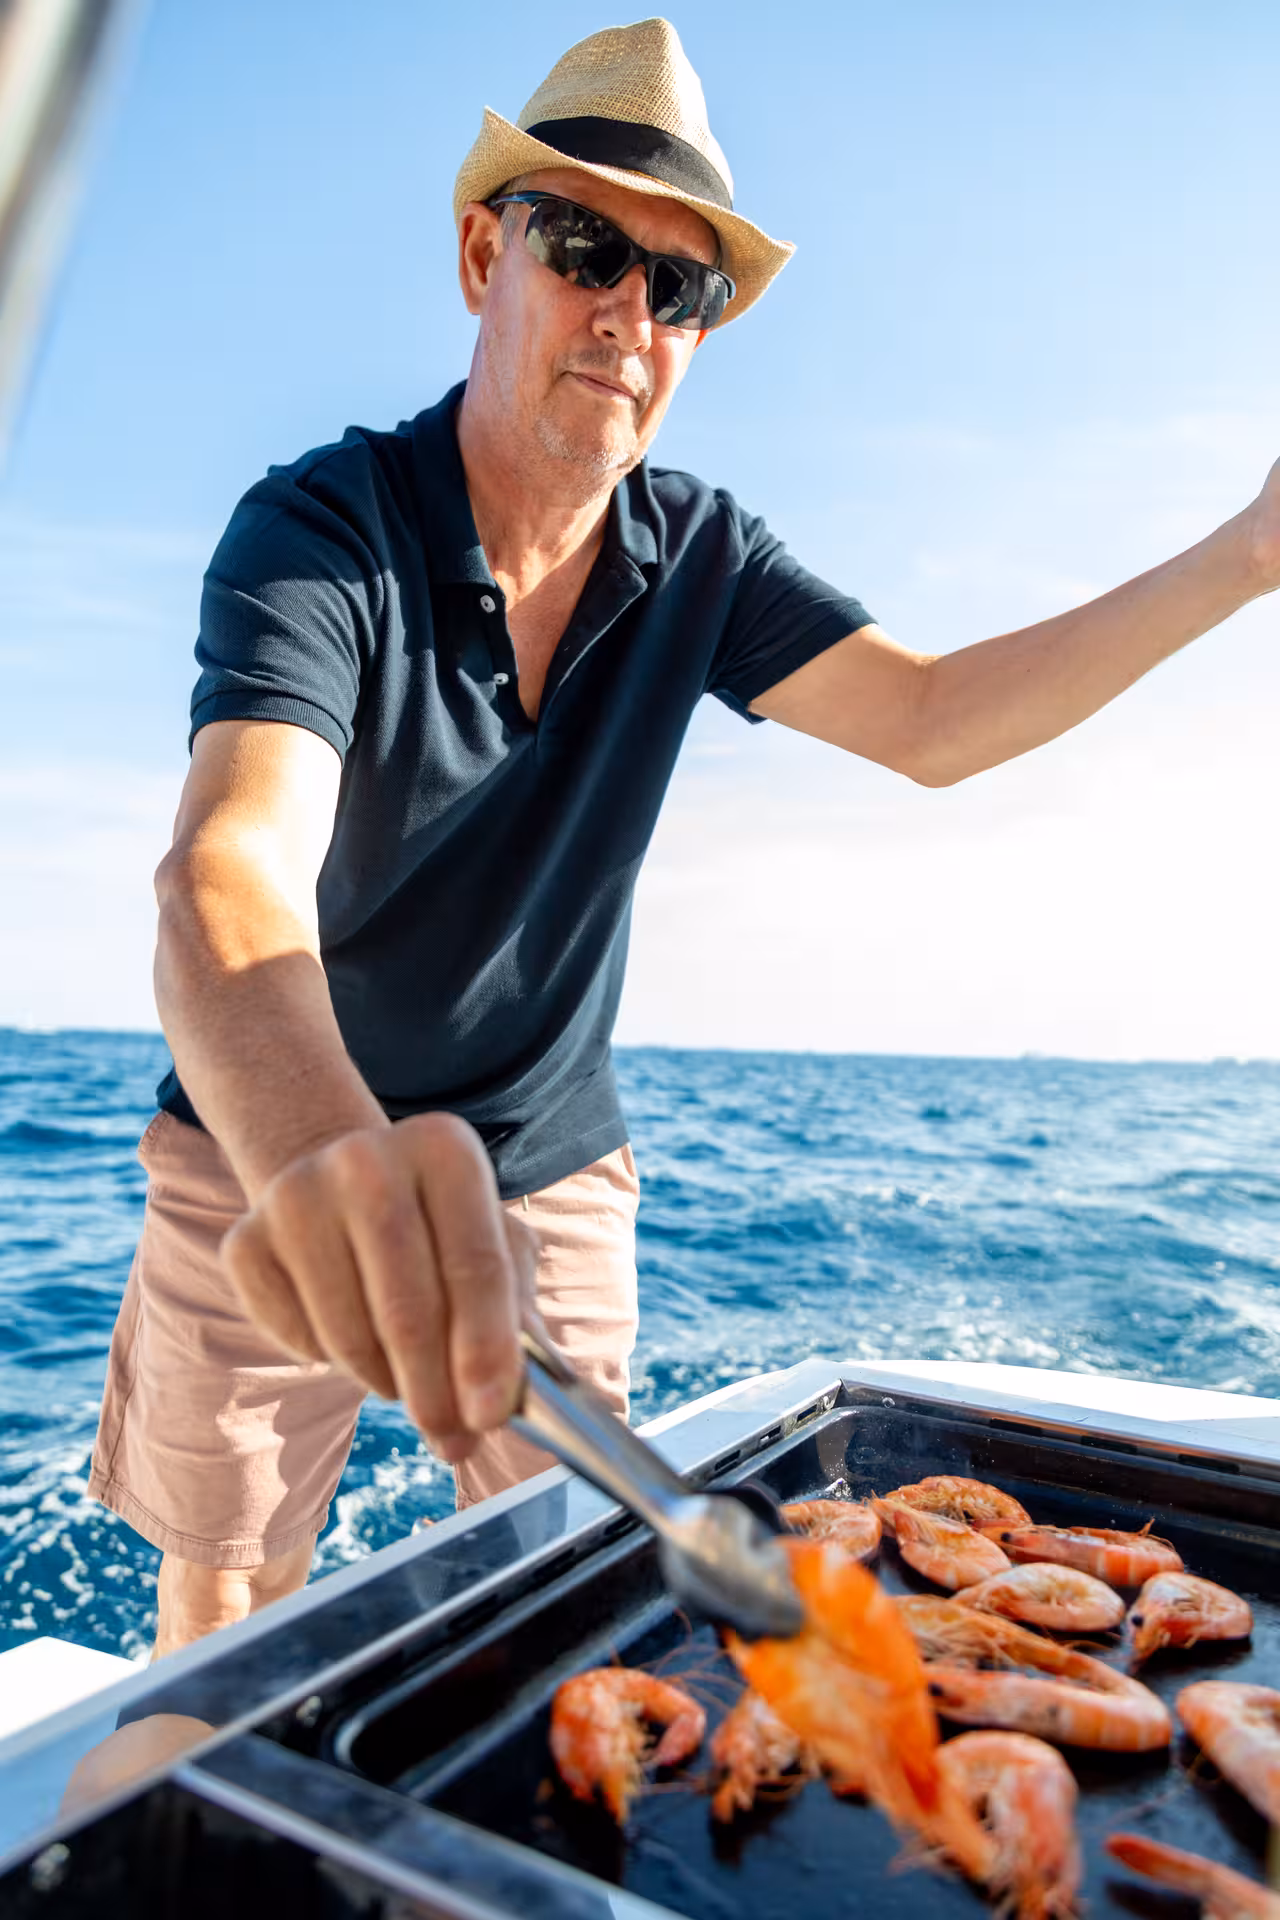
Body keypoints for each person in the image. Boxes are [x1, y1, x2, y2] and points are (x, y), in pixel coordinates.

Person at [89, 17, 1278, 1662]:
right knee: (224, 1599)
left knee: (565, 1587)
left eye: (682, 287)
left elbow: (933, 719)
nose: (630, 316)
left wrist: (1249, 553)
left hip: (543, 1144)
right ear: (480, 255)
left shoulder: (702, 554)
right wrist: (315, 1148)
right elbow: (229, 867)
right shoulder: (323, 529)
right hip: (275, 1131)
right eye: (587, 249)